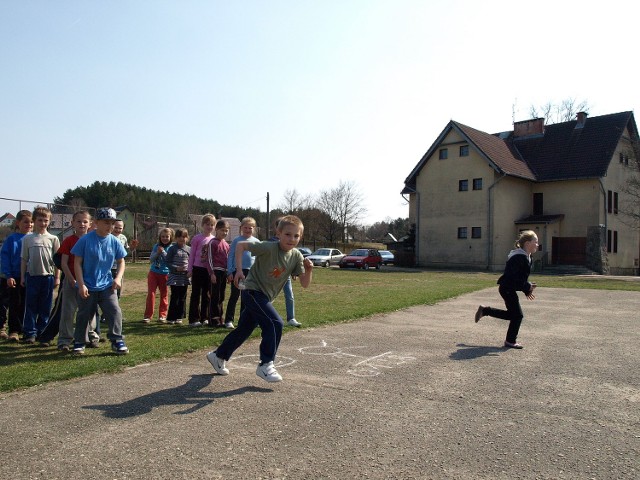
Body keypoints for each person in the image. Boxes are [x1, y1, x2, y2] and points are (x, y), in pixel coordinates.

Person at [207, 215, 313, 383]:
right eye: (287, 234)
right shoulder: (269, 247)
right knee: (275, 323)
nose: (291, 239)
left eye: (296, 236)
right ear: (278, 233)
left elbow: (305, 284)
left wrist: (308, 270)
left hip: (265, 297)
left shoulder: (297, 256)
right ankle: (266, 364)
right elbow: (241, 246)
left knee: (244, 329)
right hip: (252, 290)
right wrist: (239, 270)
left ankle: (218, 355)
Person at [71, 207, 128, 355]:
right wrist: (81, 284)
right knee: (84, 314)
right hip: (87, 285)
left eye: (112, 223)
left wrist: (118, 278)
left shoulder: (115, 241)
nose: (110, 226)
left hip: (107, 286)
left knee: (114, 311)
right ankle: (79, 342)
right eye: (106, 223)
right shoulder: (85, 240)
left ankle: (117, 340)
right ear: (96, 223)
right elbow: (77, 262)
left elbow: (121, 262)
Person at [474, 230, 538, 349]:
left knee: (513, 315)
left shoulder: (527, 257)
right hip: (507, 288)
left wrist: (527, 289)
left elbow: (521, 278)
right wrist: (527, 286)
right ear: (528, 243)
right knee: (517, 316)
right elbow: (513, 277)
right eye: (536, 241)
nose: (537, 244)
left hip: (508, 288)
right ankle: (510, 341)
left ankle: (485, 311)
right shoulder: (519, 257)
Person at [49, 210, 98, 351]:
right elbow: (63, 262)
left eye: (85, 221)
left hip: (88, 283)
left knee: (89, 311)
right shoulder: (68, 241)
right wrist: (70, 278)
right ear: (72, 223)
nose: (82, 224)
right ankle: (64, 340)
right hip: (71, 282)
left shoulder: (92, 240)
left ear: (89, 224)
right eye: (78, 221)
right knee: (68, 312)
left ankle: (90, 337)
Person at [20, 206, 60, 344]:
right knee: (30, 306)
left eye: (46, 220)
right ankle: (30, 333)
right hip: (32, 277)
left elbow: (57, 261)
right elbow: (24, 259)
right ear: (34, 221)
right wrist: (22, 277)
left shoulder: (53, 238)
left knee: (45, 306)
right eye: (40, 220)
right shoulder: (28, 239)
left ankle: (42, 331)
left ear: (49, 221)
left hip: (48, 277)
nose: (43, 223)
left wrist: (57, 277)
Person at [0, 210, 33, 341]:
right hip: (10, 277)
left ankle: (18, 330)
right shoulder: (11, 240)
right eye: (26, 222)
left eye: (31, 222)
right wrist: (8, 275)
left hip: (25, 277)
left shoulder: (33, 238)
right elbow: (5, 258)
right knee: (4, 304)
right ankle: (3, 328)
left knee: (20, 304)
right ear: (18, 223)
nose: (29, 224)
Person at [224, 217, 260, 329]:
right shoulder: (236, 240)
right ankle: (229, 320)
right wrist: (230, 271)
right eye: (246, 227)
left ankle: (243, 320)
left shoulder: (257, 242)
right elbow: (231, 256)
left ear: (254, 229)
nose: (248, 230)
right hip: (238, 271)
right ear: (241, 228)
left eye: (250, 228)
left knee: (247, 297)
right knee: (235, 295)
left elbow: (259, 259)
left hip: (251, 273)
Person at [101, 218, 138, 323]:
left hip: (118, 269)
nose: (117, 230)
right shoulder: (107, 237)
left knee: (117, 292)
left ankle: (113, 314)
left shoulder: (123, 238)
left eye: (120, 228)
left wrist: (132, 248)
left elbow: (125, 252)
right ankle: (105, 315)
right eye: (116, 227)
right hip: (107, 269)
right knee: (107, 292)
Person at [269, 217, 301, 327]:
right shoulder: (270, 243)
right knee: (269, 297)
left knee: (289, 295)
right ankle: (262, 316)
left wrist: (294, 273)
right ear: (277, 230)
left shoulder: (290, 245)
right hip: (273, 274)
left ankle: (291, 318)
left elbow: (290, 259)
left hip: (285, 274)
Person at [187, 214, 216, 327]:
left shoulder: (214, 239)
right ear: (202, 225)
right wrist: (190, 269)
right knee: (195, 294)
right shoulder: (197, 238)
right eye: (207, 224)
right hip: (197, 269)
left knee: (207, 294)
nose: (209, 227)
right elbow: (192, 255)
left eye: (212, 225)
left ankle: (205, 317)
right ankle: (194, 319)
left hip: (209, 270)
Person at [143, 227, 174, 324]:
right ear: (160, 237)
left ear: (171, 237)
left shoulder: (172, 248)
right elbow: (151, 259)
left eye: (167, 236)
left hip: (165, 274)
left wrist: (163, 252)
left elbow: (169, 261)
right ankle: (148, 316)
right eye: (163, 236)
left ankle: (162, 315)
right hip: (153, 273)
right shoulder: (156, 246)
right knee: (151, 294)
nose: (164, 238)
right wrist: (157, 253)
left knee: (164, 295)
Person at [206, 219, 230, 327]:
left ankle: (220, 318)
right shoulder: (212, 243)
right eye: (222, 230)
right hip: (215, 272)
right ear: (216, 230)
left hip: (224, 272)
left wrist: (229, 273)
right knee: (214, 295)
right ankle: (213, 319)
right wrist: (212, 273)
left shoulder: (226, 244)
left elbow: (229, 259)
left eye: (226, 231)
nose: (224, 233)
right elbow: (209, 259)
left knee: (221, 296)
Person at [165, 228, 191, 324]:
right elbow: (167, 262)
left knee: (182, 297)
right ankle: (171, 317)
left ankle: (179, 317)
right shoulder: (172, 249)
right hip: (174, 277)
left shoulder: (189, 249)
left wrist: (189, 270)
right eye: (180, 237)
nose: (182, 239)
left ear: (187, 238)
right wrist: (176, 268)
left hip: (184, 277)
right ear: (176, 238)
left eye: (184, 237)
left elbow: (191, 262)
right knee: (175, 296)